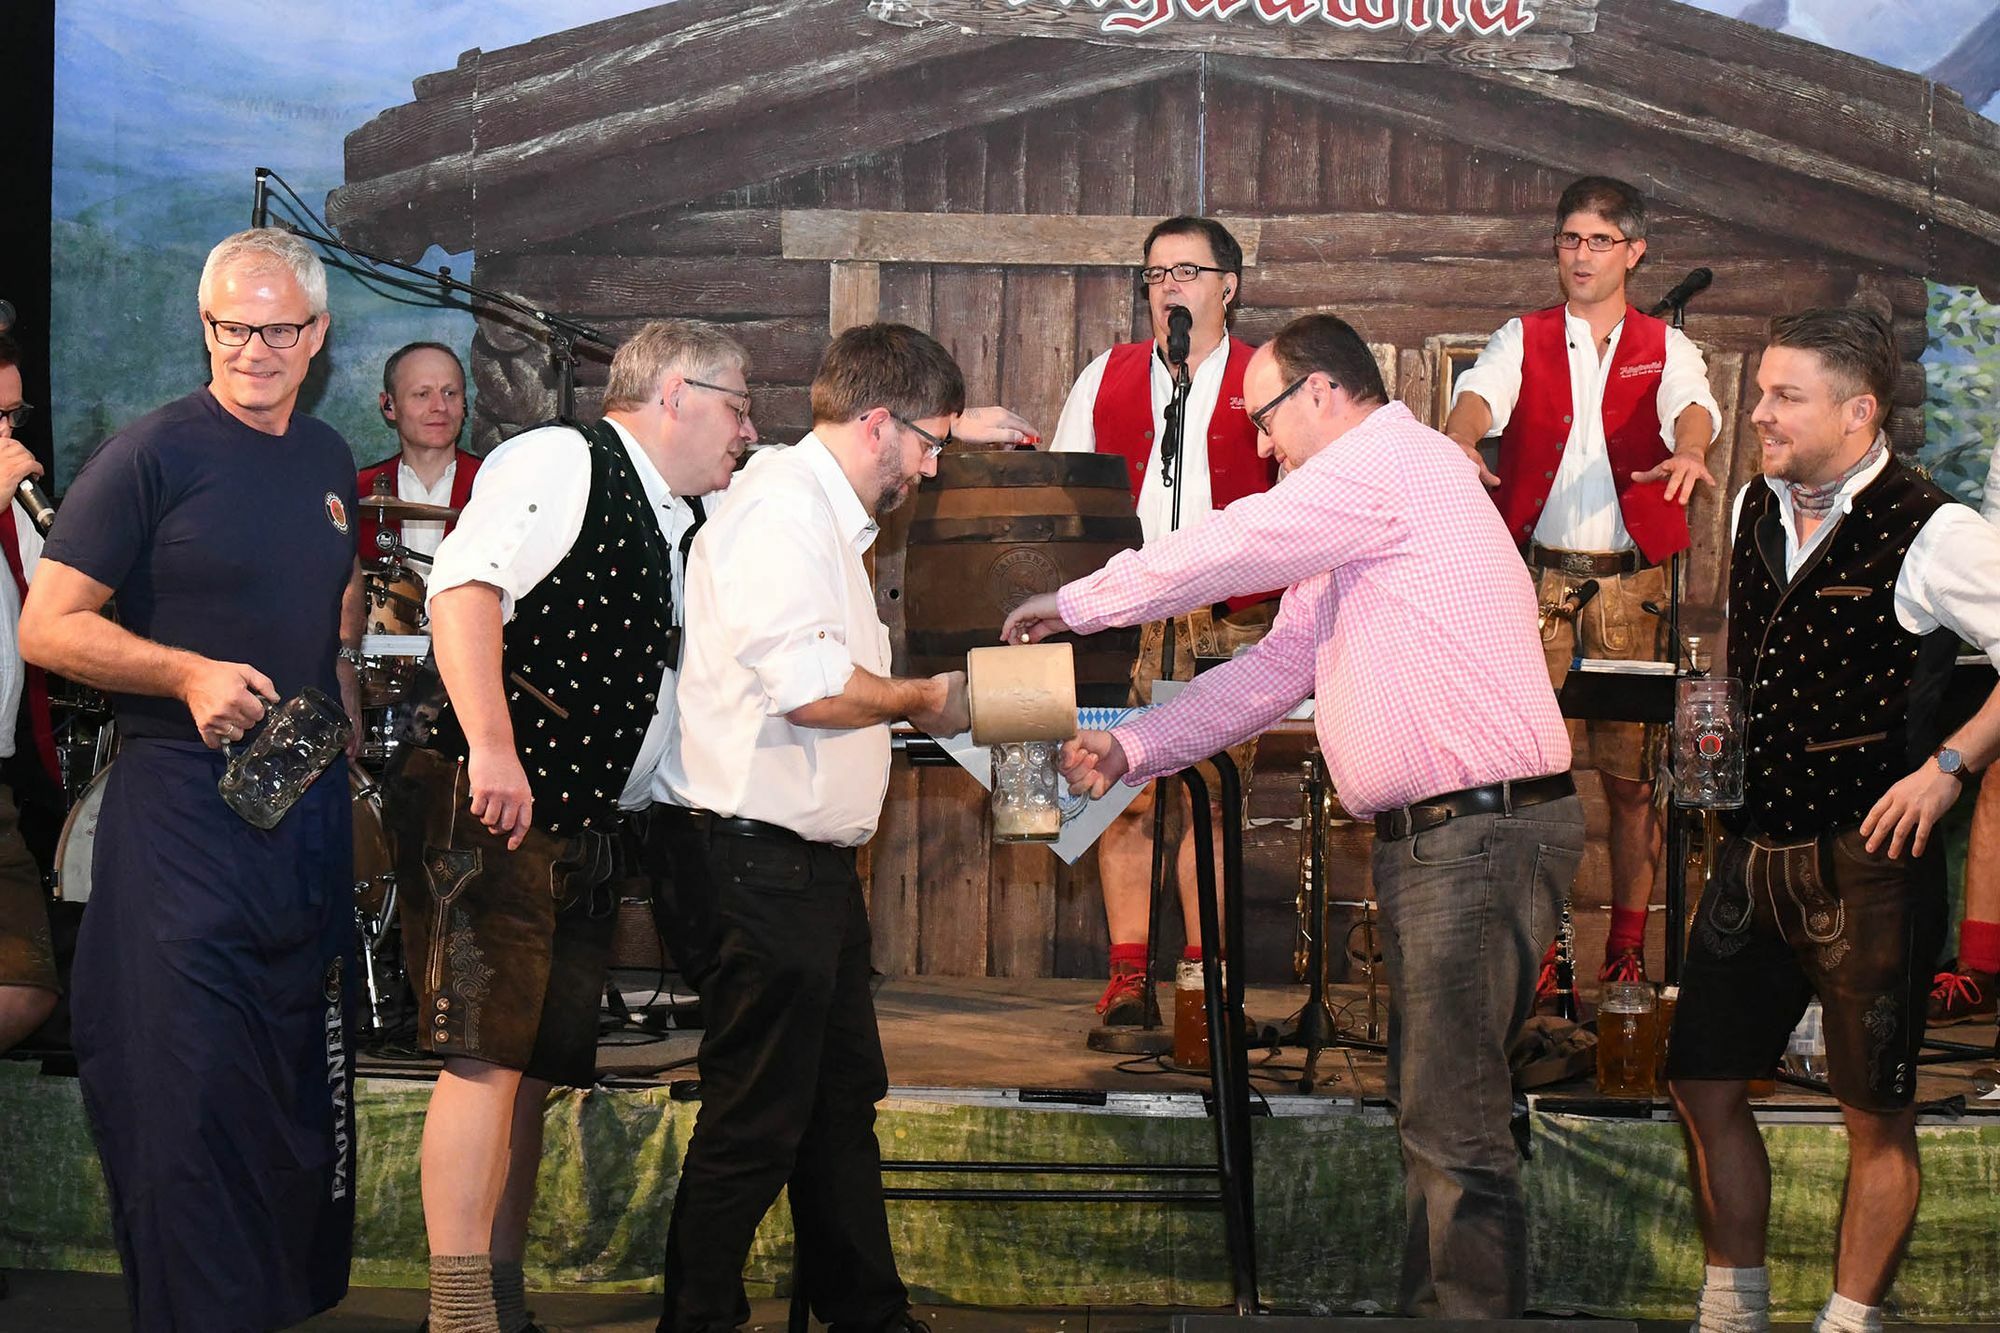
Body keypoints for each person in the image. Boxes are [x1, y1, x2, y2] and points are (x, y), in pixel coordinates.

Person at [1005, 313, 1584, 1318]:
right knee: (1438, 1115)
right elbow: (1277, 668)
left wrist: (1083, 601)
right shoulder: (1364, 502)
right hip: (1454, 837)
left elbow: (1235, 543)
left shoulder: (1385, 462)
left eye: (1264, 418)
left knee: (1452, 1126)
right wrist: (1136, 745)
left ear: (1322, 391)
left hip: (1473, 833)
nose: (1263, 445)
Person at [18, 227, 365, 1331]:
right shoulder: (149, 454)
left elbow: (329, 593)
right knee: (187, 1105)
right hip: (181, 825)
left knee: (286, 1096)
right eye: (231, 327)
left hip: (300, 821)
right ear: (204, 325)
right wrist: (184, 672)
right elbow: (46, 626)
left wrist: (342, 686)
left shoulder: (327, 457)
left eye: (278, 329)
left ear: (317, 333)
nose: (253, 350)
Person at [387, 320, 756, 1333]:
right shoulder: (563, 457)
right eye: (738, 405)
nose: (745, 428)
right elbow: (463, 591)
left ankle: (500, 1304)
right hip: (494, 806)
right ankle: (460, 1316)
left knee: (530, 1074)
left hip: (577, 825)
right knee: (482, 1059)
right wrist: (493, 747)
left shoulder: (677, 509)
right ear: (677, 395)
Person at [1665, 308, 2000, 1333]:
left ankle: (1850, 1320)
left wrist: (1950, 767)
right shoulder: (1752, 506)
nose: (1758, 413)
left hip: (1868, 863)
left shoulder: (1934, 528)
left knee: (1874, 1114)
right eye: (1761, 391)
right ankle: (1732, 1307)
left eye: (1784, 396)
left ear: (1857, 412)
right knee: (1701, 1082)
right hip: (1751, 849)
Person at [647, 322, 973, 1333]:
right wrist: (925, 698)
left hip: (803, 867)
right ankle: (697, 1321)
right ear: (878, 423)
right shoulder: (782, 510)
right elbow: (809, 689)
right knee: (757, 1115)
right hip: (752, 861)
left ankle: (867, 1312)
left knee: (837, 1103)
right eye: (929, 441)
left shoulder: (824, 520)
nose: (931, 465)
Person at [1444, 176, 1720, 986]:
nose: (1581, 254)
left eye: (1600, 240)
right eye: (1570, 238)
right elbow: (1478, 395)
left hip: (1633, 586)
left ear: (1634, 252)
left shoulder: (1665, 345)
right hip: (1535, 586)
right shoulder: (1523, 336)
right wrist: (1460, 438)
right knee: (1530, 775)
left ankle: (1626, 948)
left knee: (1633, 783)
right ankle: (1539, 950)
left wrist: (1691, 448)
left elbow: (1693, 405)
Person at [1044, 215, 1278, 1025]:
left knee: (1212, 797)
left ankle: (1202, 979)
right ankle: (1128, 974)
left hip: (1230, 616)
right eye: (1155, 274)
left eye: (1186, 271)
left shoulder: (1265, 376)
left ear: (1228, 286)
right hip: (1124, 613)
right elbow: (1068, 494)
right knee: (1124, 791)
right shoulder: (1105, 376)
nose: (1168, 287)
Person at [0, 332, 55, 1057]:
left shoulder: (16, 505)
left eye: (14, 414)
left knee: (26, 984)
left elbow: (62, 606)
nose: (8, 432)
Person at [355, 340, 480, 563]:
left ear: (464, 404)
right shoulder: (357, 491)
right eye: (422, 394)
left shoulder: (493, 484)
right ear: (389, 406)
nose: (440, 406)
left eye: (450, 393)